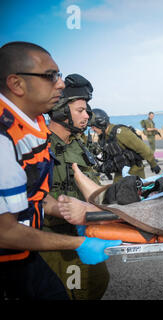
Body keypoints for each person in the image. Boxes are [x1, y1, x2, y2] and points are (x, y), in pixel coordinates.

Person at [0, 41, 121, 300]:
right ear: (16, 84)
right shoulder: (4, 136)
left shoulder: (32, 129)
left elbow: (37, 194)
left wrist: (73, 209)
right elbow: (4, 232)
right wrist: (78, 242)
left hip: (25, 253)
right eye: (50, 76)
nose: (60, 83)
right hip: (22, 245)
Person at [41, 73, 110, 300]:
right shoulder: (40, 146)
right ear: (61, 111)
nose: (87, 115)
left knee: (97, 282)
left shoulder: (78, 142)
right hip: (54, 239)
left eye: (87, 110)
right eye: (80, 110)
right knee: (75, 292)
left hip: (85, 231)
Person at [90, 108, 161, 183]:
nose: (92, 129)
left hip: (134, 172)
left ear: (101, 123)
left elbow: (143, 149)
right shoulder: (103, 137)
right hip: (120, 171)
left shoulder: (121, 133)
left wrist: (153, 164)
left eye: (93, 126)